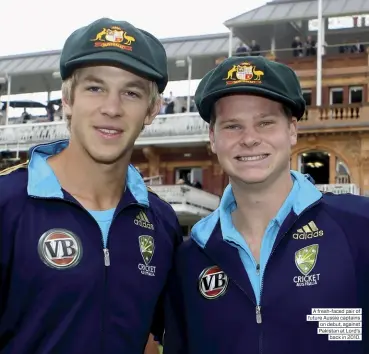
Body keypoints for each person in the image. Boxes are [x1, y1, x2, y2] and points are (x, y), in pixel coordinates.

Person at [163, 56, 369, 354]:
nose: (249, 139)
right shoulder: (191, 256)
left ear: (292, 130)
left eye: (266, 123)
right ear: (212, 138)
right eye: (233, 126)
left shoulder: (358, 227)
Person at [0, 18, 182, 354]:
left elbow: (149, 339)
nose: (111, 108)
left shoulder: (161, 222)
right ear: (67, 100)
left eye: (131, 92)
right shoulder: (7, 203)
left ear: (152, 110)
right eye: (95, 88)